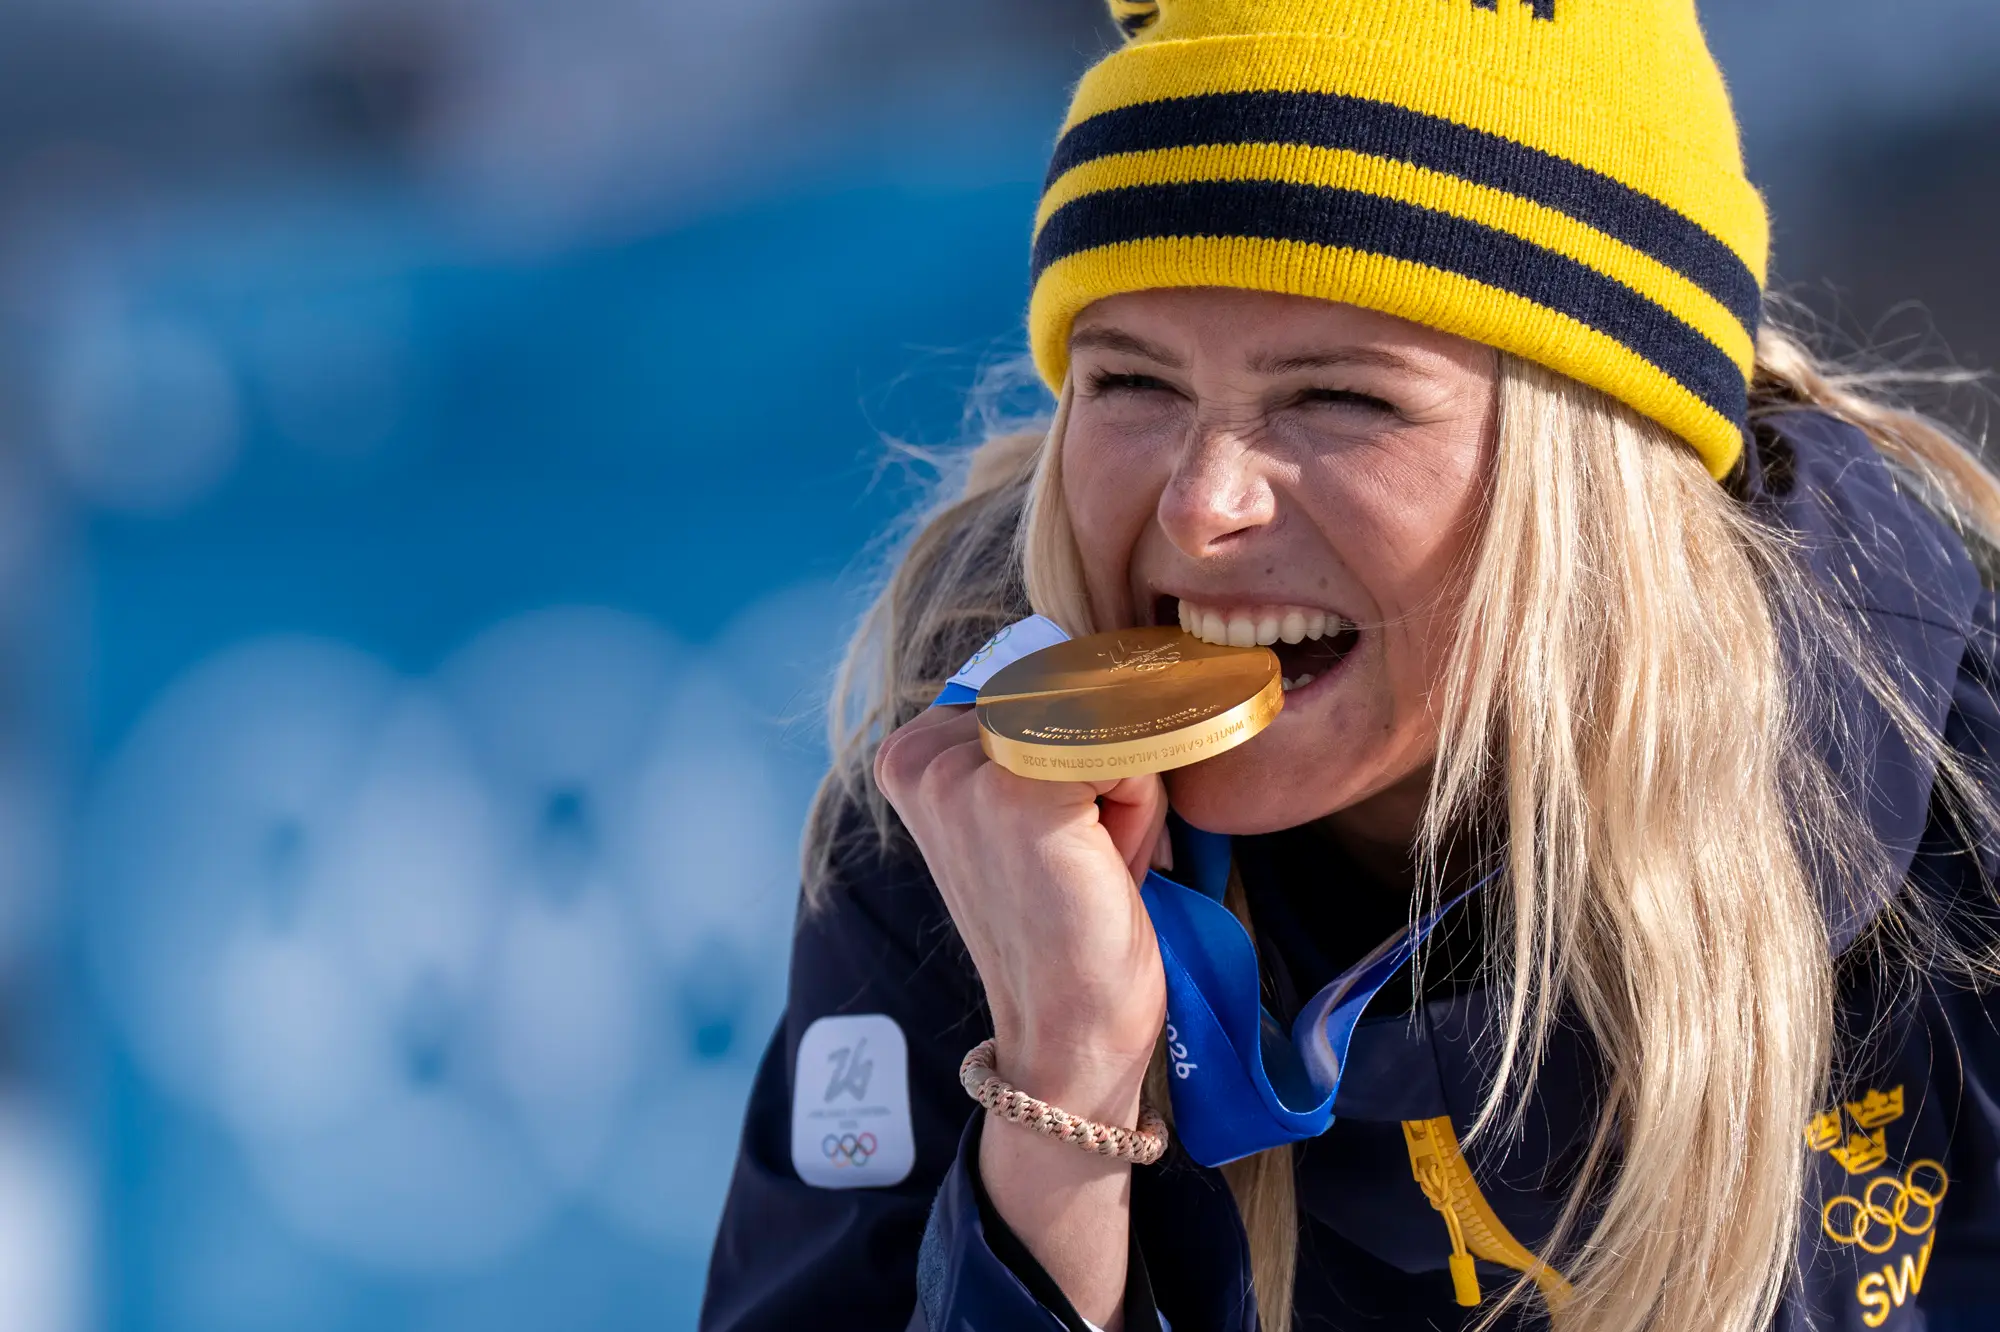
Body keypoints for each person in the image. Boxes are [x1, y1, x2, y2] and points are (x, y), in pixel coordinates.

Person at [701, 2, 2000, 1329]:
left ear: (1589, 476)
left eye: (1339, 396)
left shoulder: (1957, 778)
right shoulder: (979, 833)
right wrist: (1064, 1094)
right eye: (1131, 381)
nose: (1205, 503)